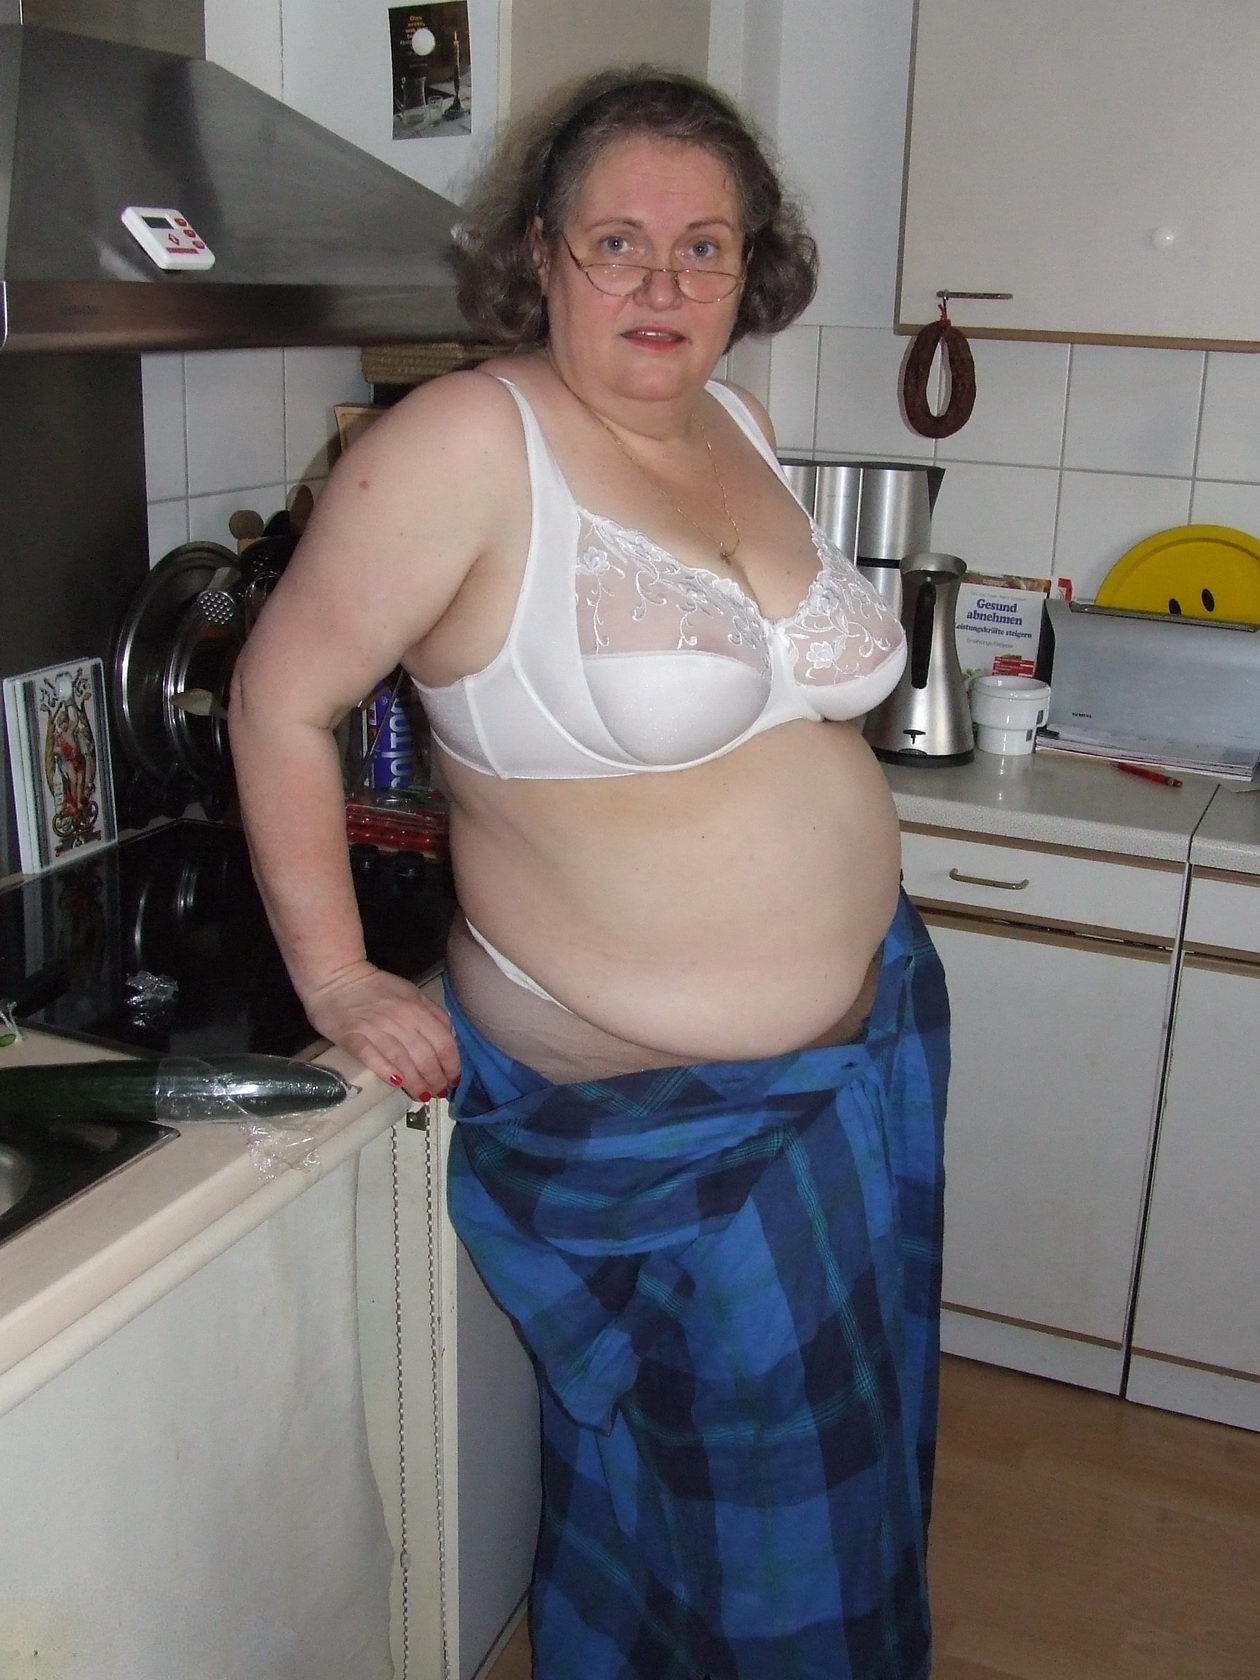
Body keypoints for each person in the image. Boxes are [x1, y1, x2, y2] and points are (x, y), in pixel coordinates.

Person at [229, 65, 949, 1680]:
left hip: (860, 1053)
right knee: (756, 1540)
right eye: (616, 242)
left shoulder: (736, 424)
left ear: (751, 267)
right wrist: (338, 977)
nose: (662, 284)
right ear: (539, 255)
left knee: (822, 1495)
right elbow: (279, 701)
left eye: (705, 248)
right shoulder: (463, 444)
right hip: (655, 1114)